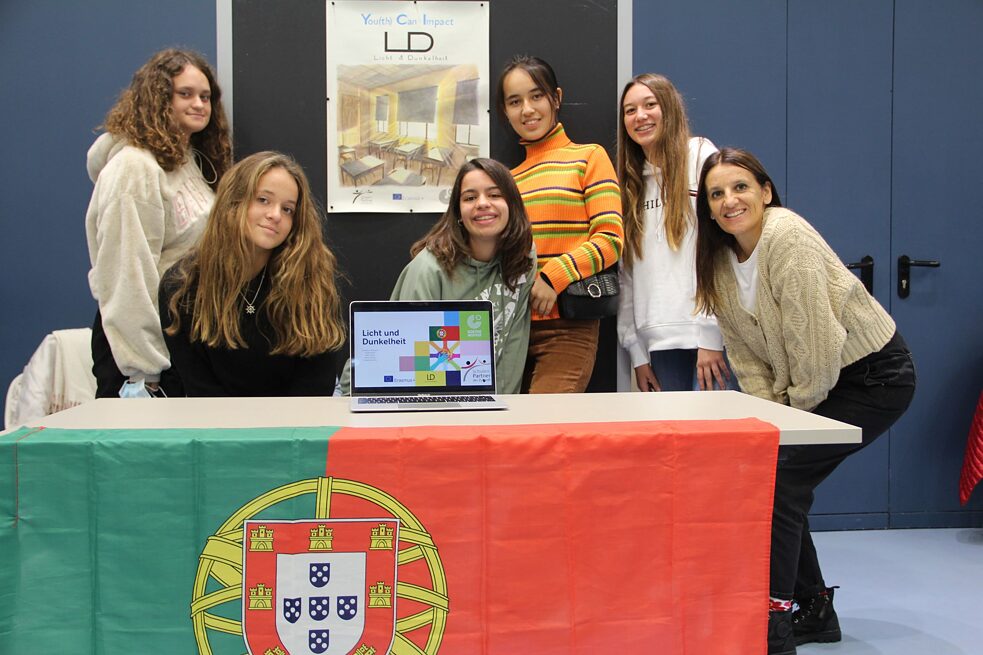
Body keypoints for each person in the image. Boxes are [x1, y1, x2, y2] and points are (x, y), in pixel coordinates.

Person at [693, 148, 916, 655]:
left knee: (781, 480)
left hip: (873, 376)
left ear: (766, 191)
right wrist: (772, 416)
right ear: (708, 208)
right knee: (775, 476)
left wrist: (791, 417)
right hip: (817, 382)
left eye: (740, 187)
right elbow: (746, 357)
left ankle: (776, 623)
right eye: (717, 194)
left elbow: (815, 345)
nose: (730, 201)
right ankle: (814, 609)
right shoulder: (719, 262)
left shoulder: (787, 236)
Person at [85, 48, 232, 399]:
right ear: (158, 97)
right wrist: (145, 373)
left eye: (205, 96)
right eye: (186, 94)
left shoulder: (190, 161)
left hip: (179, 338)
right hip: (141, 356)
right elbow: (127, 276)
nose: (199, 104)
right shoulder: (133, 168)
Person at [160, 151, 346, 396]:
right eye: (263, 200)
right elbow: (200, 388)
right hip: (216, 417)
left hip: (298, 416)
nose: (275, 215)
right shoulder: (180, 285)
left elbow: (315, 385)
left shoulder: (311, 279)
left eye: (288, 209)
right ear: (233, 202)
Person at [499, 55, 624, 393]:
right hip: (511, 328)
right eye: (515, 101)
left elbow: (611, 240)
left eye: (536, 96)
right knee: (500, 423)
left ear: (556, 98)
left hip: (568, 325)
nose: (527, 109)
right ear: (505, 111)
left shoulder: (589, 157)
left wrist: (552, 276)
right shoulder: (507, 180)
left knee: (545, 421)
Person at [616, 73, 731, 391]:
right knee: (674, 426)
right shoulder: (630, 184)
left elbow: (720, 250)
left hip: (708, 339)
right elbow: (627, 274)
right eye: (630, 110)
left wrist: (711, 335)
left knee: (716, 424)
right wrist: (638, 354)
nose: (640, 116)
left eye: (649, 105)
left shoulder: (699, 156)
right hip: (658, 346)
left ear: (669, 107)